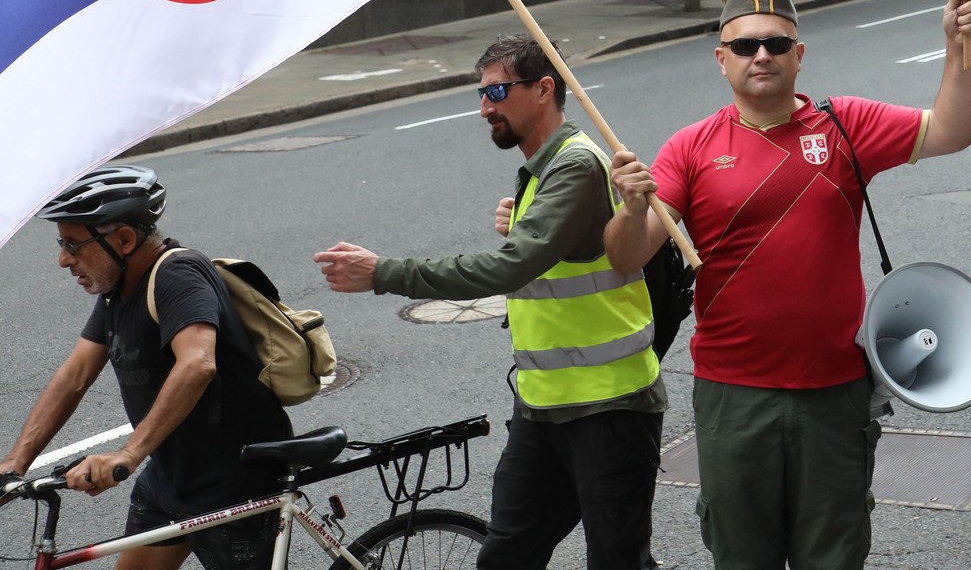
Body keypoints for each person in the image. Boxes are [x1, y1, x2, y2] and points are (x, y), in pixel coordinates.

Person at [603, 0, 971, 570]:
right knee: (742, 556)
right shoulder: (690, 148)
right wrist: (631, 208)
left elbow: (952, 131)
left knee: (832, 556)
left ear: (798, 55)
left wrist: (957, 48)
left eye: (778, 43)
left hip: (835, 395)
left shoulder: (845, 124)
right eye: (746, 44)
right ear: (721, 60)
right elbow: (628, 256)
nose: (762, 55)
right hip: (733, 397)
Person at [313, 35, 663, 570]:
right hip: (544, 409)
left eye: (497, 91)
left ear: (544, 89)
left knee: (617, 560)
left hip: (609, 409)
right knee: (505, 558)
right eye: (481, 93)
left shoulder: (574, 166)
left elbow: (508, 268)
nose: (485, 108)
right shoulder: (543, 170)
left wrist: (383, 272)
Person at [0, 165, 292, 570]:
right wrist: (15, 463)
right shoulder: (117, 292)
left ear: (123, 239)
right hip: (172, 476)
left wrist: (129, 453)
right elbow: (75, 375)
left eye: (73, 244)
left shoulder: (177, 274)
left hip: (233, 481)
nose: (63, 259)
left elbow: (197, 363)